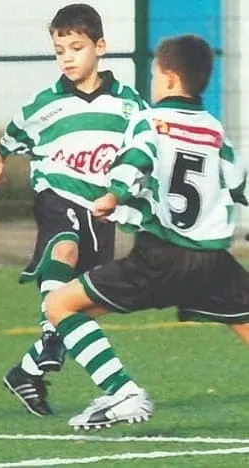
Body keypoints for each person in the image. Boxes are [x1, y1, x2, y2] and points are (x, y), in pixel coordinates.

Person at [45, 34, 249, 430]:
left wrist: (112, 194)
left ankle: (123, 393)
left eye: (155, 74)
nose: (153, 82)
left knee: (59, 306)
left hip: (161, 256)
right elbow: (241, 182)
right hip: (212, 258)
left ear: (170, 79)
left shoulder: (149, 120)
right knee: (245, 321)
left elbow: (137, 157)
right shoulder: (214, 129)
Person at [0, 3, 148, 416]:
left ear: (101, 46)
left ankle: (27, 370)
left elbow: (148, 144)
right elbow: (14, 131)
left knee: (82, 304)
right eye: (60, 50)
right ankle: (51, 332)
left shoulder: (129, 105)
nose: (68, 58)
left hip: (101, 210)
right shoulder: (45, 103)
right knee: (64, 249)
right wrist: (0, 158)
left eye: (76, 47)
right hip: (57, 197)